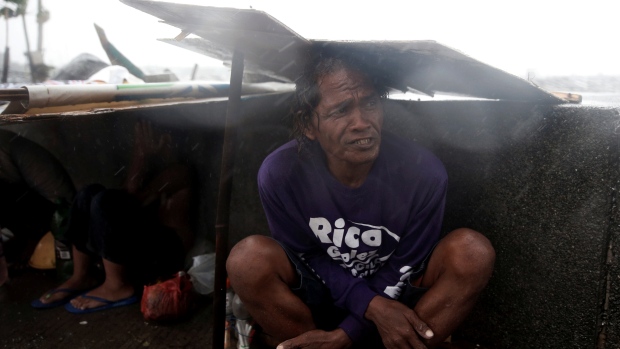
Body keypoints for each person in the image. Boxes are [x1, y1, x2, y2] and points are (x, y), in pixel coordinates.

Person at [226, 52, 496, 349]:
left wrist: (349, 334)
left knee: (472, 252)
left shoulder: (423, 173)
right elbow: (305, 256)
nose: (361, 122)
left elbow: (406, 265)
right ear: (308, 126)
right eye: (341, 110)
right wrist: (368, 305)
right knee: (246, 260)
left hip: (396, 301)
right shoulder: (282, 173)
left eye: (369, 104)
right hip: (323, 295)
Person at [32, 120, 195, 312]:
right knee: (88, 193)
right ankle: (82, 276)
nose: (140, 141)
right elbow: (126, 195)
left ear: (165, 140)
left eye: (145, 137)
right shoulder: (154, 169)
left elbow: (131, 197)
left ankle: (118, 286)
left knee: (106, 201)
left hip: (168, 255)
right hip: (146, 248)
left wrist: (141, 155)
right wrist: (141, 157)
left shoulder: (180, 172)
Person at [0, 129, 76, 287]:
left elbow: (62, 200)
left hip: (59, 210)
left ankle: (32, 242)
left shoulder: (5, 143)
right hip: (40, 208)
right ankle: (25, 241)